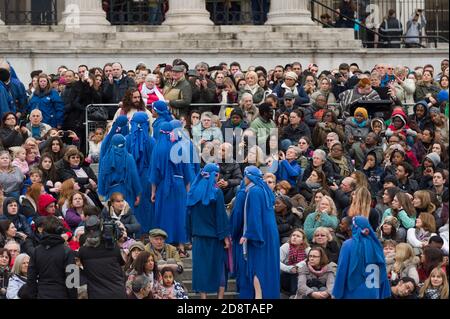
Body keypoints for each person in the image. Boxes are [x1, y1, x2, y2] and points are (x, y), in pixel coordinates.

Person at [231, 166, 280, 299]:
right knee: (268, 268)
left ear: (248, 176)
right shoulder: (264, 189)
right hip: (270, 234)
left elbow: (254, 215)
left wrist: (248, 234)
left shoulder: (253, 191)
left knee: (256, 268)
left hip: (259, 235)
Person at [186, 163, 230, 299]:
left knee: (201, 269)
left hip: (198, 237)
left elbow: (187, 216)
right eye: (217, 175)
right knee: (219, 268)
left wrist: (189, 235)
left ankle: (203, 298)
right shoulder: (217, 192)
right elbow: (221, 216)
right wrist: (225, 237)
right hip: (215, 238)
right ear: (215, 175)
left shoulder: (193, 192)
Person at [150, 122, 192, 252]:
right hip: (179, 186)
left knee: (165, 215)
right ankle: (181, 245)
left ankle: (166, 246)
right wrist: (188, 192)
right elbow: (187, 173)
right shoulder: (181, 147)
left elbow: (154, 174)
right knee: (180, 214)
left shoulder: (157, 149)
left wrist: (153, 192)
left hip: (163, 188)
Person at [333, 216, 391, 299]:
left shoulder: (348, 244)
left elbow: (342, 270)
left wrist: (337, 293)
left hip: (353, 292)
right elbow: (382, 271)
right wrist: (383, 292)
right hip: (373, 292)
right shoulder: (377, 245)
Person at [27, 216, 77, 299]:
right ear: (59, 230)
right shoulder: (68, 252)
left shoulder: (36, 251)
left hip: (42, 294)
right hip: (62, 294)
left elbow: (31, 278)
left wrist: (34, 296)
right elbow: (72, 281)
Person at [78, 215, 127, 299]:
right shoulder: (114, 248)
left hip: (96, 294)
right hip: (117, 293)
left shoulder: (83, 251)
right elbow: (122, 264)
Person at [126, 112, 155, 234]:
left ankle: (133, 233)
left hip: (131, 177)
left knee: (133, 204)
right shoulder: (151, 141)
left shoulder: (127, 140)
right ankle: (147, 233)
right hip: (147, 177)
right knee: (147, 205)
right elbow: (155, 162)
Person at [98, 134, 141, 210]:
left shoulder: (106, 158)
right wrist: (138, 193)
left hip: (111, 191)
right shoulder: (129, 158)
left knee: (112, 214)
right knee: (126, 215)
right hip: (125, 191)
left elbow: (102, 176)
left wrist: (102, 192)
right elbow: (134, 177)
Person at [280, 229, 310, 297]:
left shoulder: (306, 248)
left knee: (297, 272)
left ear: (302, 240)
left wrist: (297, 266)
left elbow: (311, 258)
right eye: (293, 235)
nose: (294, 237)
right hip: (285, 274)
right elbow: (276, 262)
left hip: (300, 275)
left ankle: (295, 295)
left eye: (298, 236)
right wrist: (289, 268)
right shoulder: (286, 246)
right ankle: (292, 294)